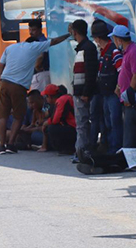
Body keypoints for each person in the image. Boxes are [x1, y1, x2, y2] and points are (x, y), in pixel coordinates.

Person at [0, 19, 67, 154]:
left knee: (3, 116)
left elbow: (0, 66)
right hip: (18, 86)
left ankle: (1, 146)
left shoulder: (10, 48)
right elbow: (54, 42)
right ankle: (11, 144)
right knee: (18, 116)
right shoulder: (34, 46)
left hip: (4, 82)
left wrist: (1, 81)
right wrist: (68, 35)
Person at [112, 25, 136, 153]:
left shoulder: (134, 52)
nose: (114, 42)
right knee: (128, 127)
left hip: (133, 98)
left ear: (119, 40)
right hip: (127, 95)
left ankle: (130, 157)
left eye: (114, 39)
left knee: (131, 129)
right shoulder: (128, 52)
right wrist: (118, 87)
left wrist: (129, 95)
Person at [92, 20, 124, 157]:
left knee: (114, 121)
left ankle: (115, 149)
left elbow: (121, 71)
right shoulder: (104, 51)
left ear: (98, 38)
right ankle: (108, 146)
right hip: (105, 93)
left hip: (112, 94)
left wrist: (118, 87)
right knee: (107, 122)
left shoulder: (114, 51)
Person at [69, 20, 99, 163]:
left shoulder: (88, 48)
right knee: (82, 122)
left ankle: (81, 151)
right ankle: (81, 150)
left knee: (82, 123)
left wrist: (86, 92)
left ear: (75, 32)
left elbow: (91, 71)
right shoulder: (83, 48)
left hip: (83, 93)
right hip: (80, 91)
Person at [42, 84, 76, 153]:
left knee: (51, 128)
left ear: (50, 96)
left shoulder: (62, 100)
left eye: (46, 96)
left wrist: (46, 123)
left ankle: (67, 148)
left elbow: (55, 119)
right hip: (72, 127)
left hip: (74, 128)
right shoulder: (60, 101)